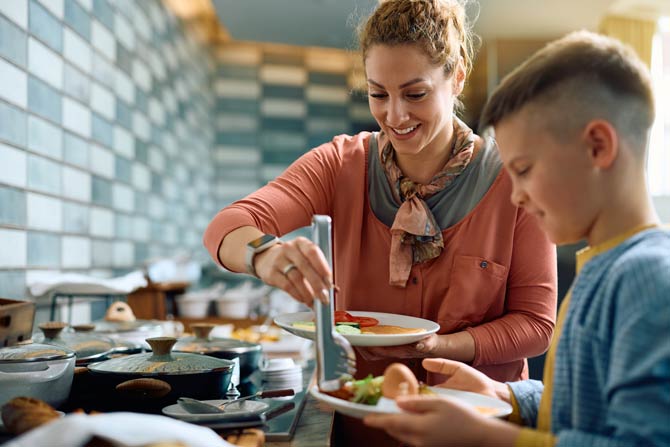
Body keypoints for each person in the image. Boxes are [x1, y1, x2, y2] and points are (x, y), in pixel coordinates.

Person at [204, 1, 556, 442]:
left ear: (458, 74)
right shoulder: (340, 163)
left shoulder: (513, 180)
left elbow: (535, 325)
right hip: (361, 426)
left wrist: (439, 346)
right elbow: (228, 225)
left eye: (415, 94)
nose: (394, 116)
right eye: (377, 94)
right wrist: (264, 255)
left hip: (476, 429)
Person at [364, 30, 670, 447]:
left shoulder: (646, 277)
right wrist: (506, 395)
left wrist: (490, 438)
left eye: (524, 170)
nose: (516, 194)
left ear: (598, 147)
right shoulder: (606, 263)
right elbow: (586, 406)